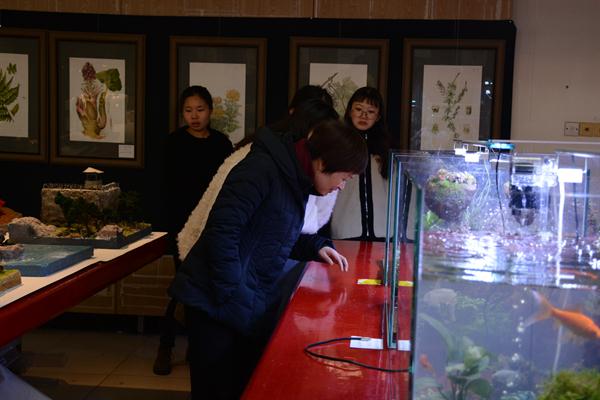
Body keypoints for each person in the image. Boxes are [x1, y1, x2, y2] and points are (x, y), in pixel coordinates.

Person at [169, 117, 368, 400]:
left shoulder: (296, 179)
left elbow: (273, 232)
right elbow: (222, 232)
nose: (342, 186)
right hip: (214, 302)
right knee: (215, 391)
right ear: (323, 163)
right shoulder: (261, 168)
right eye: (344, 178)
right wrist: (231, 293)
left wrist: (315, 246)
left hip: (241, 303)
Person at [154, 85, 233, 375]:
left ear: (210, 111)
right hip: (182, 226)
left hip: (211, 226)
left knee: (206, 287)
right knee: (183, 286)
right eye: (188, 110)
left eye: (200, 109)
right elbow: (165, 185)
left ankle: (195, 346)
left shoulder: (222, 143)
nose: (194, 116)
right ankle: (166, 346)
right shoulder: (174, 142)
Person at [329, 86, 391, 241]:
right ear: (350, 111)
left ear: (378, 116)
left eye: (370, 111)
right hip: (345, 226)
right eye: (358, 109)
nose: (364, 115)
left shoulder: (385, 148)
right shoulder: (337, 143)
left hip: (382, 229)